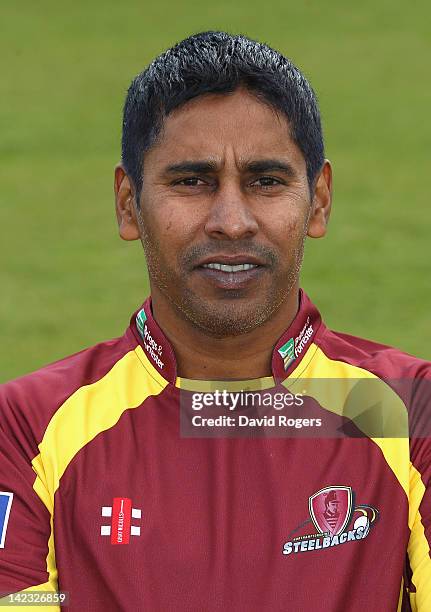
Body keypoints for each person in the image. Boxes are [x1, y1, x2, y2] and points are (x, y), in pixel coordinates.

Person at [0, 30, 430, 611]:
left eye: (266, 181)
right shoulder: (29, 424)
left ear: (319, 200)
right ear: (129, 203)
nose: (232, 221)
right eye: (192, 181)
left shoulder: (408, 408)